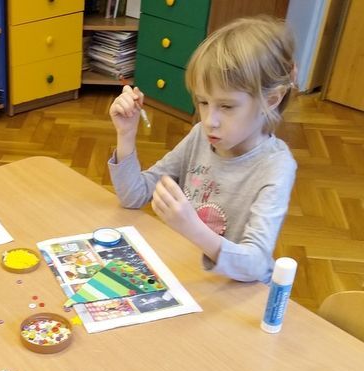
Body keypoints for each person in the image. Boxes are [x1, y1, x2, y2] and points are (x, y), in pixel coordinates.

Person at [108, 16, 298, 283]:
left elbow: (256, 264)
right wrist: (126, 134)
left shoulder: (276, 166)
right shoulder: (201, 136)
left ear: (271, 100)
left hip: (238, 292)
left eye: (227, 106)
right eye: (203, 102)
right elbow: (134, 196)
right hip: (188, 274)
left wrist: (193, 229)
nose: (210, 120)